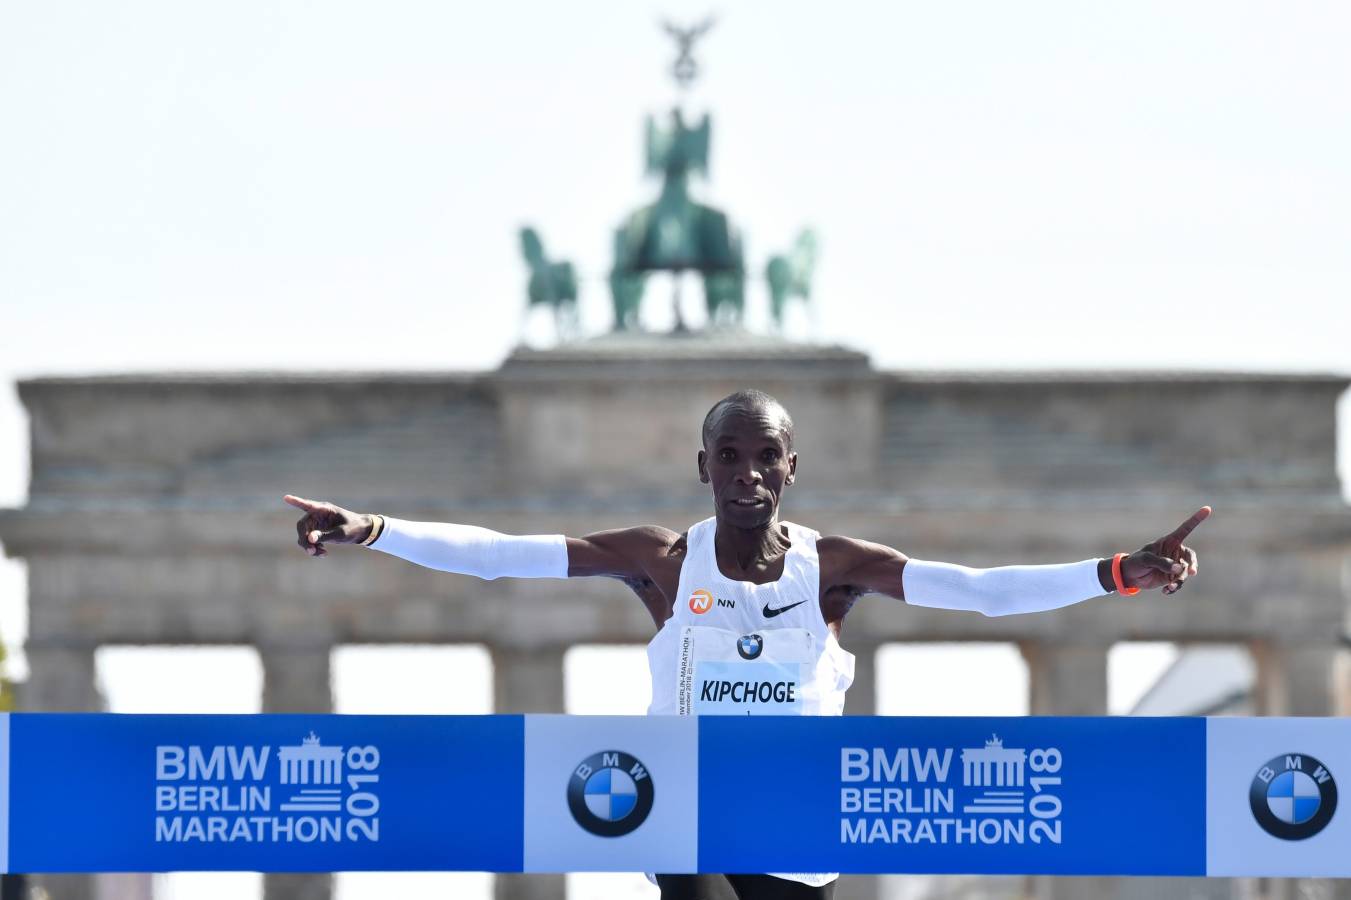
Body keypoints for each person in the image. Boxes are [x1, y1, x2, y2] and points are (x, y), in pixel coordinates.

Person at [285, 388, 1208, 900]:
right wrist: (372, 528)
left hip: (794, 818)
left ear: (790, 468)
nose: (747, 473)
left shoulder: (834, 569)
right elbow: (498, 557)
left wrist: (1117, 573)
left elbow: (980, 592)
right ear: (704, 466)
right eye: (729, 455)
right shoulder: (661, 560)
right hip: (681, 804)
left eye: (766, 455)